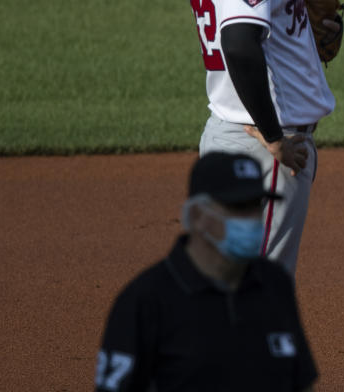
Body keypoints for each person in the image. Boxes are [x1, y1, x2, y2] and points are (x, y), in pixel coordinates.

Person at [187, 0, 337, 275]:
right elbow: (239, 42)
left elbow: (256, 38)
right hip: (261, 148)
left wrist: (307, 31)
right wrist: (274, 138)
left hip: (232, 133)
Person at [94, 152, 318, 392]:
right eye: (237, 207)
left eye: (255, 205)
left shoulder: (275, 284)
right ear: (198, 215)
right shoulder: (145, 301)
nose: (252, 219)